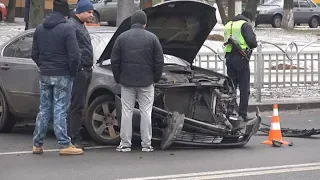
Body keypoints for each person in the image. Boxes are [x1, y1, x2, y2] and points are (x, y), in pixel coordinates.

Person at [31, 0, 83, 155]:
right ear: (66, 14)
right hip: (63, 74)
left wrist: (43, 65)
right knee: (60, 109)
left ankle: (37, 143)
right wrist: (72, 71)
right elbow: (74, 55)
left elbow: (34, 53)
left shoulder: (39, 29)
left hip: (45, 73)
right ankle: (64, 144)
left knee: (44, 108)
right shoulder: (67, 29)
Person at [111, 10, 164, 152]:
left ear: (131, 22)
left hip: (127, 82)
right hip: (147, 82)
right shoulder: (152, 38)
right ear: (145, 23)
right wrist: (155, 78)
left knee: (126, 112)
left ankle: (125, 144)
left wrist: (118, 78)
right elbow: (159, 62)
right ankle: (146, 144)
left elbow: (115, 61)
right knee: (146, 112)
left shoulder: (122, 38)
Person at [66, 0, 94, 150]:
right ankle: (73, 139)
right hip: (80, 71)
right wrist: (79, 68)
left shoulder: (80, 26)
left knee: (80, 104)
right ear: (81, 11)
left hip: (85, 69)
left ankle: (75, 136)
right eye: (89, 12)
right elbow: (72, 52)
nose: (91, 15)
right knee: (76, 105)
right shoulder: (72, 26)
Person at [223, 10, 258, 122]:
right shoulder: (245, 25)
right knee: (244, 88)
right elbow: (252, 43)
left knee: (231, 87)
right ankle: (242, 114)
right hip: (241, 58)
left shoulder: (229, 24)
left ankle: (229, 111)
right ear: (248, 18)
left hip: (229, 58)